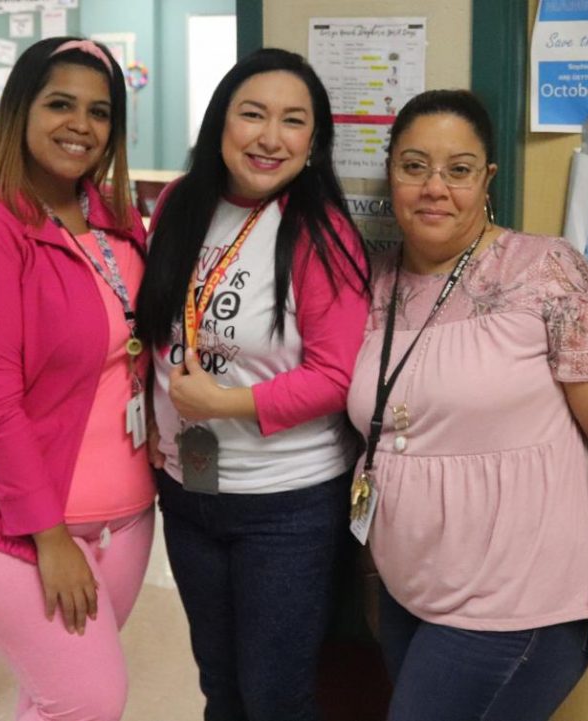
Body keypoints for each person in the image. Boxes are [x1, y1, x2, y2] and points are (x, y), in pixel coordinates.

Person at [346, 89, 588, 721]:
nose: (435, 187)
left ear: (486, 178)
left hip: (520, 603)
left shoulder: (546, 271)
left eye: (458, 170)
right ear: (391, 173)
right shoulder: (373, 280)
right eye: (414, 166)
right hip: (414, 597)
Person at [0, 37, 155, 721]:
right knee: (88, 700)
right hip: (11, 527)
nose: (81, 125)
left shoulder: (117, 220)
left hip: (125, 518)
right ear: (19, 111)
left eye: (100, 112)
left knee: (51, 695)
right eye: (60, 104)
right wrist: (48, 538)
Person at [135, 48, 369, 721]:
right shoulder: (181, 202)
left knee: (275, 696)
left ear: (313, 142)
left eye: (293, 121)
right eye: (253, 114)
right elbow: (164, 327)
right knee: (220, 685)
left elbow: (335, 377)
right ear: (220, 123)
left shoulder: (320, 232)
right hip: (188, 488)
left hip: (285, 504)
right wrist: (157, 412)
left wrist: (222, 403)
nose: (271, 137)